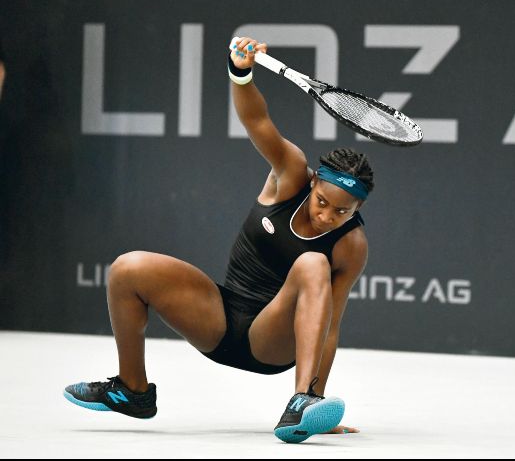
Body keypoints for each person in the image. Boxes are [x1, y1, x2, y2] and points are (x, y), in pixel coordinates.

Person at [63, 36, 373, 443]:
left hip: (272, 342)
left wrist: (318, 395)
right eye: (322, 202)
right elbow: (257, 122)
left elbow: (331, 325)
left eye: (342, 211)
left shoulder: (350, 245)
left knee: (312, 261)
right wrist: (241, 74)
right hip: (220, 317)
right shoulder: (290, 174)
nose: (327, 215)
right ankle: (132, 389)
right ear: (312, 182)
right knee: (128, 267)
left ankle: (300, 404)